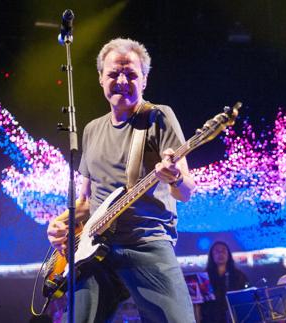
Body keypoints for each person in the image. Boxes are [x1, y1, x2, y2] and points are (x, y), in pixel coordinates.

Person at [46, 38, 196, 322]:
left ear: (145, 80)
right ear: (101, 78)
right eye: (114, 73)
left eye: (132, 74)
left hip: (146, 242)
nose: (122, 80)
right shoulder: (91, 130)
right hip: (95, 249)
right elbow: (87, 202)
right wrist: (62, 223)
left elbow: (186, 191)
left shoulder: (158, 117)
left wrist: (174, 177)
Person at [200, 241, 249, 323]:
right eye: (217, 251)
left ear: (228, 254)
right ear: (211, 255)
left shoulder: (239, 275)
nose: (220, 254)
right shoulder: (204, 277)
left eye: (223, 250)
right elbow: (200, 303)